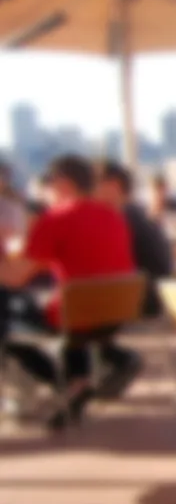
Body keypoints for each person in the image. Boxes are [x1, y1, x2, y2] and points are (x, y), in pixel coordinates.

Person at [0, 154, 139, 425]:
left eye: (49, 183)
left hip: (74, 316)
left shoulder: (56, 218)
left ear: (63, 184)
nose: (46, 190)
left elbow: (15, 278)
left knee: (6, 327)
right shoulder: (113, 216)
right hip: (115, 313)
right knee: (42, 309)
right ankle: (82, 377)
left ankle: (65, 382)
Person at [97, 162, 174, 318]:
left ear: (114, 186)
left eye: (95, 184)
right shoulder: (137, 214)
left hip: (137, 302)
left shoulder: (122, 219)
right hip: (151, 298)